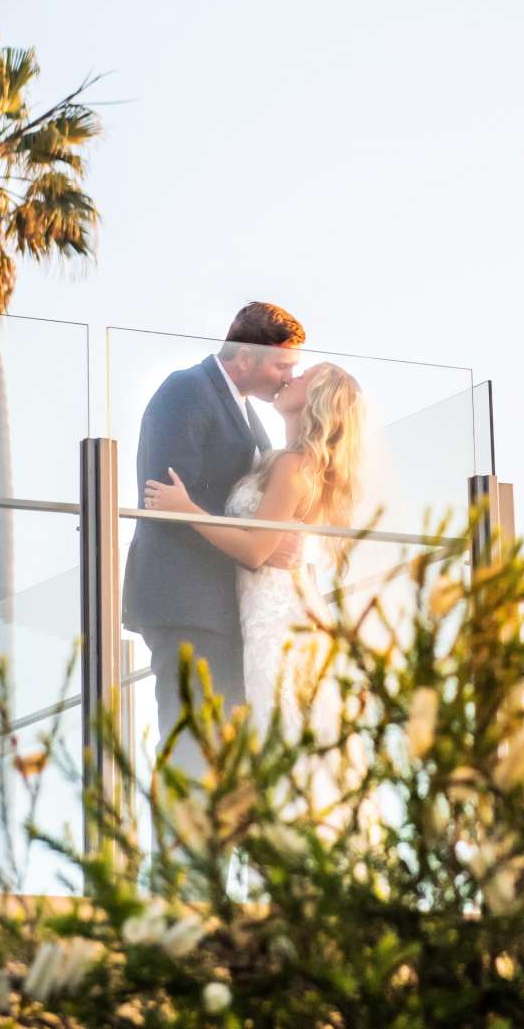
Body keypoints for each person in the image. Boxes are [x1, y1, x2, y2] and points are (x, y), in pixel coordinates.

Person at [120, 301, 303, 756]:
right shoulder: (186, 390)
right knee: (191, 746)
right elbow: (167, 496)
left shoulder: (249, 415)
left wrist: (268, 541)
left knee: (223, 750)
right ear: (245, 356)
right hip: (186, 602)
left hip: (224, 608)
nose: (287, 377)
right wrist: (254, 547)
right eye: (282, 364)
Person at [143, 360, 367, 730]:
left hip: (273, 615)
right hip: (261, 607)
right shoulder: (283, 460)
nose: (291, 377)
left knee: (275, 722)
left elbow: (255, 551)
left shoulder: (293, 467)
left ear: (315, 399)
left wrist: (187, 509)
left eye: (303, 375)